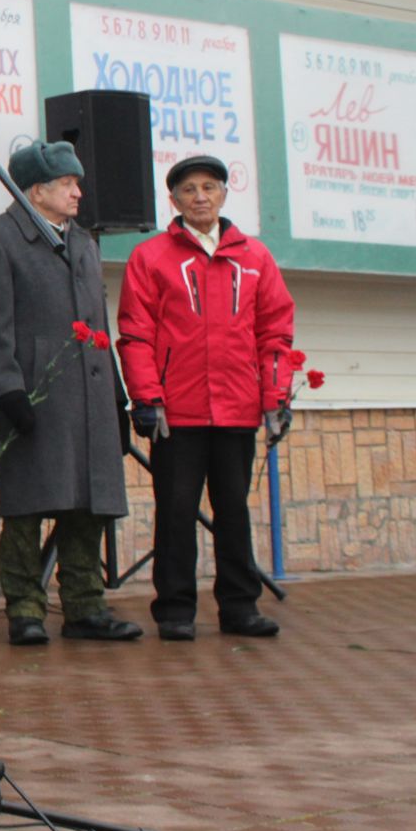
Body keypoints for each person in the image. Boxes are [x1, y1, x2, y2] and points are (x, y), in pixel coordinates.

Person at [0, 140, 140, 647]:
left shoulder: (84, 242)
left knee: (89, 506)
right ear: (37, 191)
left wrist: (117, 396)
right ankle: (24, 607)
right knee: (28, 506)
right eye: (67, 184)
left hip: (90, 394)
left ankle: (86, 604)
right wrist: (6, 390)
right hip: (38, 394)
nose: (77, 192)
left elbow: (97, 322)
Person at [116, 154, 294, 641]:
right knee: (175, 512)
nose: (200, 197)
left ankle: (240, 608)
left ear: (223, 194)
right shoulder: (151, 258)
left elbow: (275, 332)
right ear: (173, 200)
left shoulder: (254, 258)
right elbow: (135, 333)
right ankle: (174, 610)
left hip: (237, 408)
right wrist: (147, 397)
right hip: (178, 411)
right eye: (189, 189)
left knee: (234, 511)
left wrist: (274, 396)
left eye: (209, 187)